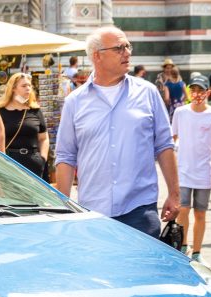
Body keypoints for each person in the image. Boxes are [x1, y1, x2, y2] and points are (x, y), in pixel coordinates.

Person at [55, 26, 179, 237]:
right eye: (119, 48)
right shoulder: (74, 102)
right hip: (93, 210)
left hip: (139, 209)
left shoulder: (147, 92)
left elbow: (165, 146)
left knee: (143, 270)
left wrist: (175, 195)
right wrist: (63, 207)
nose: (128, 53)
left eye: (128, 46)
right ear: (97, 56)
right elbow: (66, 156)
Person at [171, 75, 211, 264]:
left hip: (204, 171)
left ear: (207, 93)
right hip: (184, 170)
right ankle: (183, 245)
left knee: (200, 213)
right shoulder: (180, 112)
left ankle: (197, 251)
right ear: (188, 92)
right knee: (183, 209)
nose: (197, 95)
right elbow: (173, 139)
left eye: (201, 91)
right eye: (193, 90)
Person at [0, 72, 49, 179]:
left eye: (29, 85)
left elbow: (44, 138)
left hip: (33, 164)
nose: (28, 88)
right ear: (13, 89)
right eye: (24, 86)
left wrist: (42, 159)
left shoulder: (35, 110)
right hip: (9, 163)